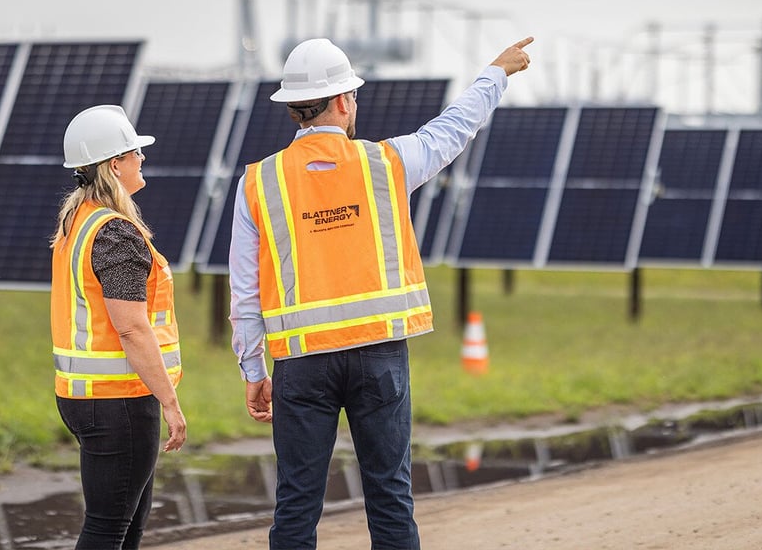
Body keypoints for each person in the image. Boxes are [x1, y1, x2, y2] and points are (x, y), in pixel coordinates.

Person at [228, 36, 533, 549]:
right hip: (380, 357)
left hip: (301, 364)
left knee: (296, 504)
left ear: (292, 108)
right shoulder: (387, 163)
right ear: (345, 101)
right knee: (391, 497)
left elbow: (244, 293)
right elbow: (453, 130)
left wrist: (253, 370)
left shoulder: (257, 183)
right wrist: (495, 74)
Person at [50, 104, 187, 549]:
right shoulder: (115, 233)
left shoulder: (79, 220)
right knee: (109, 529)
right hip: (119, 401)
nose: (141, 158)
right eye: (133, 152)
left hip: (88, 396)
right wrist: (169, 401)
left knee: (122, 527)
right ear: (114, 165)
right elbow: (131, 329)